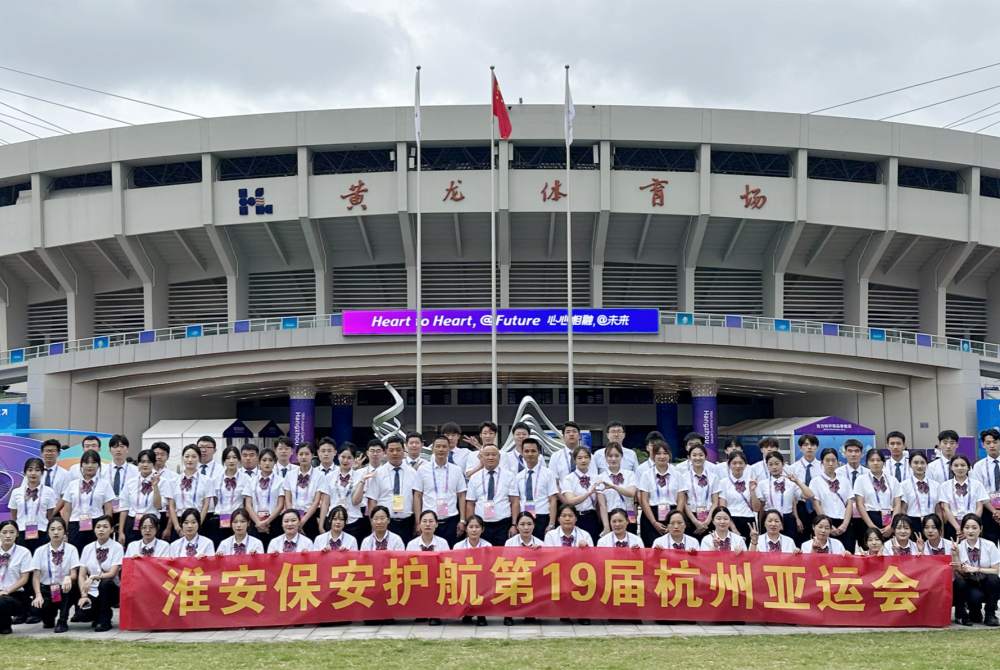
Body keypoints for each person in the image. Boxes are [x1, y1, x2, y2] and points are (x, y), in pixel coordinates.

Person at [364, 436, 423, 544]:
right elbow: (372, 500)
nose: (395, 453)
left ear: (404, 451)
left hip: (407, 522)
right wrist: (373, 524)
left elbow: (417, 498)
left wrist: (418, 522)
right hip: (385, 523)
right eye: (391, 450)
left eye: (398, 450)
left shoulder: (413, 473)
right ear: (386, 452)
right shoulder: (378, 473)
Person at [29, 516, 79, 633]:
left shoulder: (72, 549)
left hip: (64, 587)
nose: (56, 532)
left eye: (59, 529)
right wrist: (38, 595)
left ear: (65, 532)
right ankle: (49, 617)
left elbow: (74, 574)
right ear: (48, 532)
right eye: (52, 529)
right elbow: (36, 576)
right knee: (38, 611)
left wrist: (69, 577)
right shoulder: (40, 551)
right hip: (47, 589)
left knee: (68, 589)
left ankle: (62, 621)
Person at [76, 516, 123, 632]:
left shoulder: (117, 547)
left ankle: (105, 620)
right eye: (98, 527)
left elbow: (112, 573)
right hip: (92, 590)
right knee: (82, 615)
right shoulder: (88, 548)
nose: (101, 529)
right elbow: (81, 575)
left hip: (111, 589)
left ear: (112, 530)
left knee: (105, 584)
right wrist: (84, 595)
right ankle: (98, 615)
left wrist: (93, 577)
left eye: (105, 527)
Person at [419, 435, 467, 546]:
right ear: (432, 449)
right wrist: (418, 521)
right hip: (429, 521)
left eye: (444, 446)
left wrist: (462, 520)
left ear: (449, 449)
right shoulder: (423, 469)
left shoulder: (456, 470)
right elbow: (417, 495)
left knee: (450, 552)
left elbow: (461, 495)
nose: (441, 449)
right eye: (438, 446)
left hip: (451, 520)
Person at [753, 452, 813, 541]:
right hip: (769, 519)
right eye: (770, 464)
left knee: (788, 545)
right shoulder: (762, 484)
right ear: (767, 466)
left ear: (783, 464)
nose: (774, 467)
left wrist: (797, 481)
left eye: (777, 463)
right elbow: (759, 507)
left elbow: (809, 495)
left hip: (788, 519)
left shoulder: (791, 483)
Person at [953, 513, 1000, 626]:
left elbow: (996, 570)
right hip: (969, 583)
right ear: (962, 530)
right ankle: (970, 612)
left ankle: (990, 614)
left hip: (985, 581)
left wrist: (976, 569)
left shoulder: (989, 545)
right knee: (960, 583)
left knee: (994, 579)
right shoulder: (959, 547)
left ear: (981, 529)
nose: (970, 531)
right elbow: (958, 571)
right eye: (967, 527)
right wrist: (955, 555)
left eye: (974, 528)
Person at [62, 451, 114, 551]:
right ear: (81, 465)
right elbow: (67, 511)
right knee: (76, 554)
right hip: (75, 524)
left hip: (97, 524)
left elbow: (108, 510)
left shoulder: (105, 484)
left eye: (93, 462)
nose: (90, 466)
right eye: (86, 463)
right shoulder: (72, 484)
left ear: (98, 465)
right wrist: (64, 531)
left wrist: (107, 528)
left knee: (95, 554)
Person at [464, 445, 516, 547]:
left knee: (501, 554)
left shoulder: (509, 476)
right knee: (482, 554)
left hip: (503, 523)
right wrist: (470, 525)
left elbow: (514, 502)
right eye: (487, 455)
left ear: (499, 457)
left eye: (494, 455)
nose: (490, 457)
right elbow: (470, 504)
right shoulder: (475, 477)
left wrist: (514, 524)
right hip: (481, 525)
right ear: (481, 457)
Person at [510, 437, 558, 539]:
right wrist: (514, 524)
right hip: (524, 518)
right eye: (526, 451)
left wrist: (551, 524)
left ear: (539, 453)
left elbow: (553, 500)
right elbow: (516, 501)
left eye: (533, 451)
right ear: (522, 453)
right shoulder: (518, 476)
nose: (530, 454)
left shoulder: (548, 474)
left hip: (542, 516)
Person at [637, 441, 682, 547]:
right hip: (651, 515)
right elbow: (644, 500)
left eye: (665, 453)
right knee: (652, 549)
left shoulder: (677, 474)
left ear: (669, 455)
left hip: (672, 514)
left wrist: (676, 519)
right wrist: (654, 522)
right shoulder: (646, 475)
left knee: (673, 547)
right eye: (658, 453)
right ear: (653, 456)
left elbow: (681, 498)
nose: (662, 456)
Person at [164, 445, 213, 543]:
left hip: (198, 521)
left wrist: (197, 524)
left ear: (199, 458)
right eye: (187, 456)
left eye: (194, 457)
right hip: (179, 522)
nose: (190, 460)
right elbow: (172, 506)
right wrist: (177, 527)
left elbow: (206, 505)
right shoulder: (173, 481)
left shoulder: (207, 480)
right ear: (183, 458)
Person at [559, 446, 608, 543]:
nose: (583, 460)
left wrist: (606, 526)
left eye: (586, 457)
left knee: (592, 546)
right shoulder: (569, 479)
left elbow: (602, 504)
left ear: (590, 459)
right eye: (580, 458)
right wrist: (589, 492)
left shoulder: (596, 478)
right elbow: (570, 501)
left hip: (592, 517)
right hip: (575, 517)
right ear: (574, 460)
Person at [811, 447, 856, 553]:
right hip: (825, 524)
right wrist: (828, 526)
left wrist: (845, 525)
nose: (830, 463)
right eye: (827, 460)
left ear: (837, 462)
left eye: (833, 460)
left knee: (847, 554)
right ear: (822, 463)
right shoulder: (816, 481)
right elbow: (816, 504)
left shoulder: (844, 480)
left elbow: (849, 503)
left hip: (844, 522)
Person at [853, 448, 900, 546]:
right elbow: (859, 504)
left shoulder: (892, 480)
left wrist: (892, 525)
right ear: (867, 463)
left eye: (878, 460)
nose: (875, 463)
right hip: (869, 518)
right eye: (872, 460)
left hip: (888, 518)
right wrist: (871, 526)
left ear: (884, 463)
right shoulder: (861, 480)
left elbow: (897, 504)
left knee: (888, 549)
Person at [9, 457, 57, 553]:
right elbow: (14, 515)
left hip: (42, 533)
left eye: (37, 470)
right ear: (25, 473)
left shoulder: (49, 492)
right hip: (21, 533)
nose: (33, 473)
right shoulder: (16, 492)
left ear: (42, 473)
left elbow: (50, 516)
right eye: (30, 470)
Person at [118, 449, 162, 546]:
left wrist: (155, 486)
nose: (145, 465)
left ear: (154, 464)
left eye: (149, 462)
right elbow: (124, 508)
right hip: (133, 521)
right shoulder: (130, 482)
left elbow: (158, 506)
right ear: (138, 464)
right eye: (142, 462)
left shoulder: (162, 481)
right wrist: (121, 531)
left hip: (152, 522)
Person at [243, 448, 285, 547]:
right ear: (259, 462)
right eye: (264, 460)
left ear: (275, 463)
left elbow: (280, 505)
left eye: (270, 460)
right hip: (255, 522)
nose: (267, 463)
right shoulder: (251, 481)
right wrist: (258, 522)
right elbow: (248, 504)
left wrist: (267, 521)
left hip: (274, 521)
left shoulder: (281, 481)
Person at [283, 442, 326, 539]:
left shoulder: (320, 475)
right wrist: (293, 518)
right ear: (296, 456)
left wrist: (302, 521)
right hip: (292, 519)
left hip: (310, 517)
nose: (303, 457)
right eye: (301, 454)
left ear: (312, 455)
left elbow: (316, 501)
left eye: (307, 454)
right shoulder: (290, 475)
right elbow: (288, 500)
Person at [940, 455, 987, 541]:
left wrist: (970, 526)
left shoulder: (977, 485)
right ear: (951, 467)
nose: (959, 468)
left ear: (968, 467)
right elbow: (946, 508)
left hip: (973, 526)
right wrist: (958, 528)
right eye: (956, 465)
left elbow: (979, 507)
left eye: (963, 465)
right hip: (953, 525)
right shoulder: (945, 486)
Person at [677, 444, 720, 539]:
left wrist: (707, 521)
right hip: (690, 517)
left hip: (709, 517)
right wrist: (695, 521)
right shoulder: (683, 478)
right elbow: (684, 502)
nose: (698, 458)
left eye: (701, 455)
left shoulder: (713, 477)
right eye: (694, 455)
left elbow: (715, 502)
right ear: (689, 457)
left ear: (706, 457)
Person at [597, 443, 639, 534]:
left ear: (621, 456)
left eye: (616, 456)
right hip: (610, 516)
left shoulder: (630, 474)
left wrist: (613, 486)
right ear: (605, 458)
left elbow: (631, 493)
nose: (613, 459)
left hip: (629, 513)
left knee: (631, 540)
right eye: (610, 456)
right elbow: (602, 505)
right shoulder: (600, 478)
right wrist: (606, 526)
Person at [327, 446, 368, 540]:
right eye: (343, 457)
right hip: (333, 520)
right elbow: (326, 502)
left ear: (354, 459)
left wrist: (362, 481)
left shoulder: (360, 476)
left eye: (349, 458)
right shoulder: (329, 477)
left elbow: (356, 501)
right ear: (338, 456)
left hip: (353, 520)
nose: (345, 460)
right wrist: (321, 523)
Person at [0, 520, 32, 634]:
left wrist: (6, 591)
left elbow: (24, 579)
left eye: (12, 532)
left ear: (17, 534)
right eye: (4, 532)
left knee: (2, 601)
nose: (8, 535)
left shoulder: (24, 552)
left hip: (15, 594)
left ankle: (5, 625)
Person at [717, 450, 756, 543]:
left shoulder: (751, 482)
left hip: (749, 519)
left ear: (745, 465)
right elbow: (723, 508)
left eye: (741, 463)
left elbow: (756, 508)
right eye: (734, 463)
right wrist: (733, 528)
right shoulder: (723, 483)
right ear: (729, 465)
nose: (738, 466)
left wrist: (753, 492)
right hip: (730, 520)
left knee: (750, 549)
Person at [901, 451, 939, 540]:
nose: (919, 466)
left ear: (927, 465)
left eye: (922, 463)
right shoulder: (904, 485)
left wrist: (940, 530)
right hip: (912, 522)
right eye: (916, 463)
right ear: (910, 465)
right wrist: (905, 528)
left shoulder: (935, 485)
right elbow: (903, 510)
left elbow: (938, 510)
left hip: (931, 524)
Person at [972, 428, 1000, 542]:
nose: (992, 445)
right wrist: (994, 511)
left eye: (995, 442)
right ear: (983, 445)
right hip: (988, 510)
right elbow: (979, 492)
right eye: (988, 443)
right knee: (989, 543)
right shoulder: (978, 466)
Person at [210, 446, 243, 546]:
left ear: (239, 460)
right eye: (228, 458)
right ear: (224, 460)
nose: (231, 461)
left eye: (234, 457)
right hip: (220, 518)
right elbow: (215, 499)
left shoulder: (245, 479)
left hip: (238, 519)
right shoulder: (217, 479)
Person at [549, 421, 593, 488]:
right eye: (568, 432)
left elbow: (593, 476)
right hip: (563, 493)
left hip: (585, 492)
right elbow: (553, 480)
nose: (571, 434)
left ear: (579, 436)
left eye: (574, 431)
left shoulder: (589, 456)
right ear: (563, 437)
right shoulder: (555, 457)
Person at [39, 439, 72, 511]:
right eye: (47, 451)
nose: (49, 453)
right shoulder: (34, 472)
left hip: (55, 512)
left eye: (53, 451)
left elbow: (64, 497)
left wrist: (51, 513)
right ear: (41, 453)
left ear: (58, 453)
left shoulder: (65, 474)